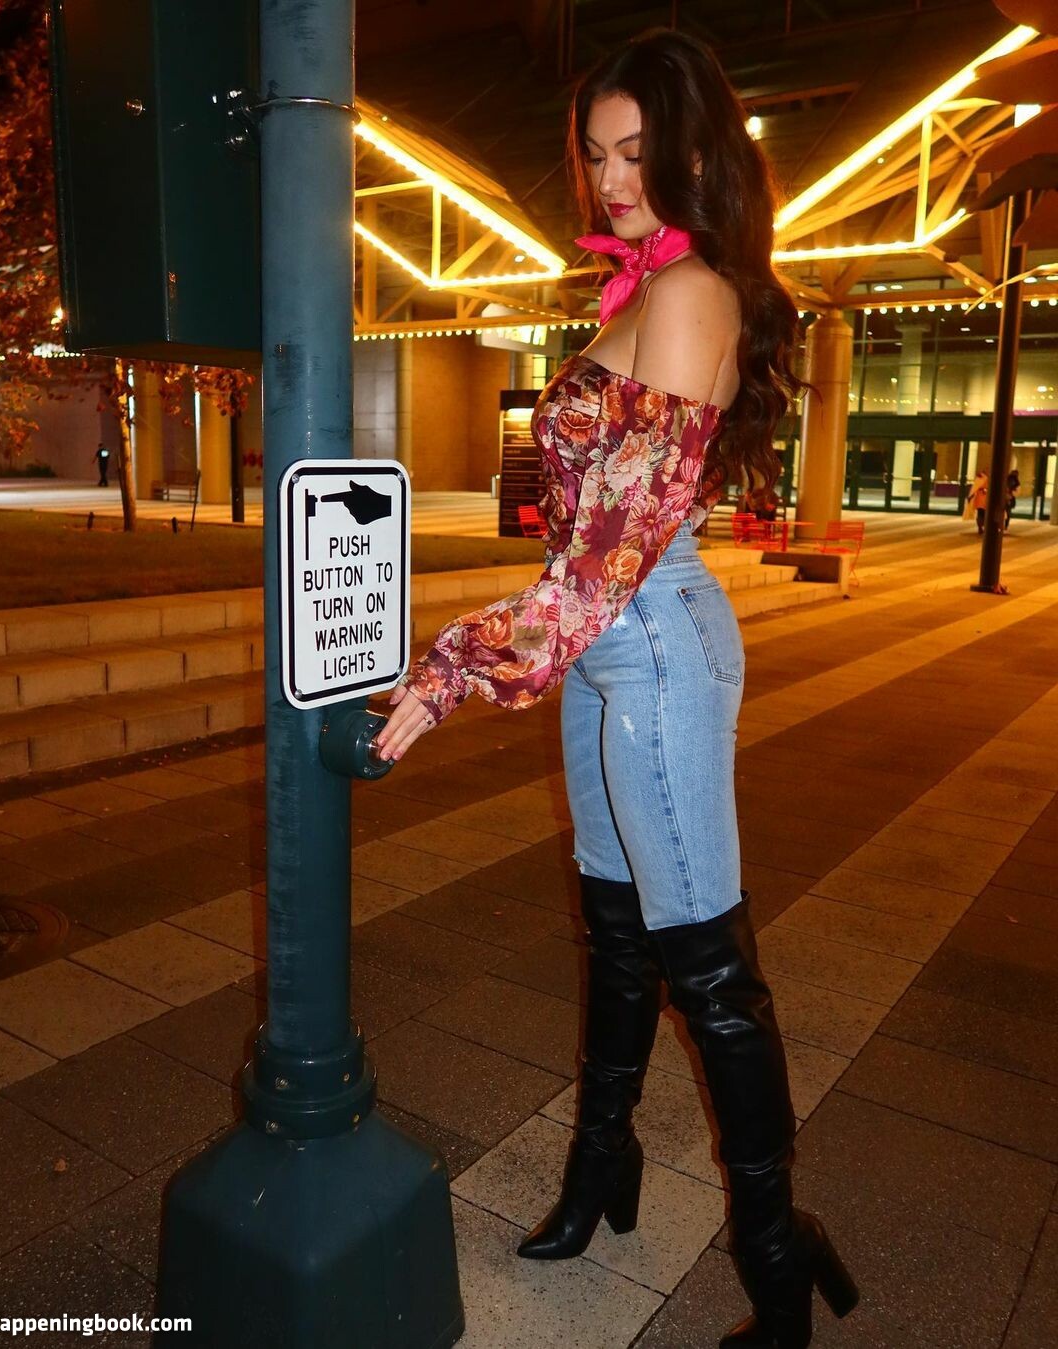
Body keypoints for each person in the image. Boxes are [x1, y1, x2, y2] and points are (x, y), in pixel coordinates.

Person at [376, 27, 859, 1348]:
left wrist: (451, 668)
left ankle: (777, 1256)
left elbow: (601, 566)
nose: (611, 179)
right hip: (610, 648)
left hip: (646, 642)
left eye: (637, 151)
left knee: (710, 968)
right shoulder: (637, 290)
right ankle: (606, 1164)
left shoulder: (692, 292)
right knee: (617, 929)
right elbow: (585, 557)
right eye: (595, 155)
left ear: (694, 150)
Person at [968, 468, 989, 534]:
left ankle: (980, 527)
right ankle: (981, 527)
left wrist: (971, 496)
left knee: (981, 513)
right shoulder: (984, 479)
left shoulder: (979, 479)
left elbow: (975, 488)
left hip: (981, 499)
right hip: (982, 498)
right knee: (982, 513)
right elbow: (976, 488)